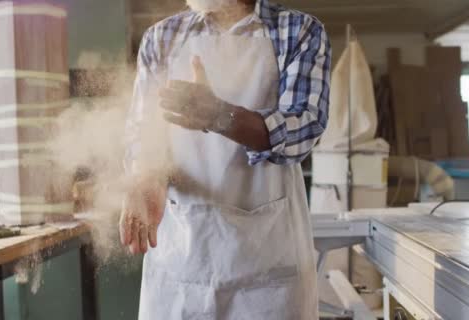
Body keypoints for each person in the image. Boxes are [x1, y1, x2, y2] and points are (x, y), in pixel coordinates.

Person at [120, 0, 331, 318]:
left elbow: (303, 130)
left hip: (268, 272)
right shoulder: (161, 38)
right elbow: (142, 133)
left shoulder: (299, 31)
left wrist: (222, 116)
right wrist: (145, 176)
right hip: (181, 264)